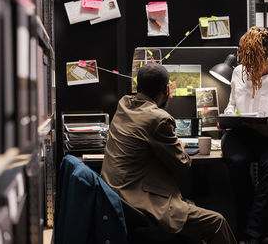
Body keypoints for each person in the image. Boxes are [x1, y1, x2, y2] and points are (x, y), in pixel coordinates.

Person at [101, 64, 237, 244]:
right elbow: (182, 164)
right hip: (140, 202)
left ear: (138, 86)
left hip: (114, 197)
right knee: (217, 222)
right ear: (166, 89)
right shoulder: (159, 119)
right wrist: (178, 144)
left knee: (190, 205)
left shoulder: (124, 104)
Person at [220, 27, 268, 244]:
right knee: (236, 162)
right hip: (242, 133)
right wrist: (227, 117)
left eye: (249, 58)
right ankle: (255, 233)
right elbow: (233, 105)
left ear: (263, 55)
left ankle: (250, 233)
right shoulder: (238, 72)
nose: (244, 64)